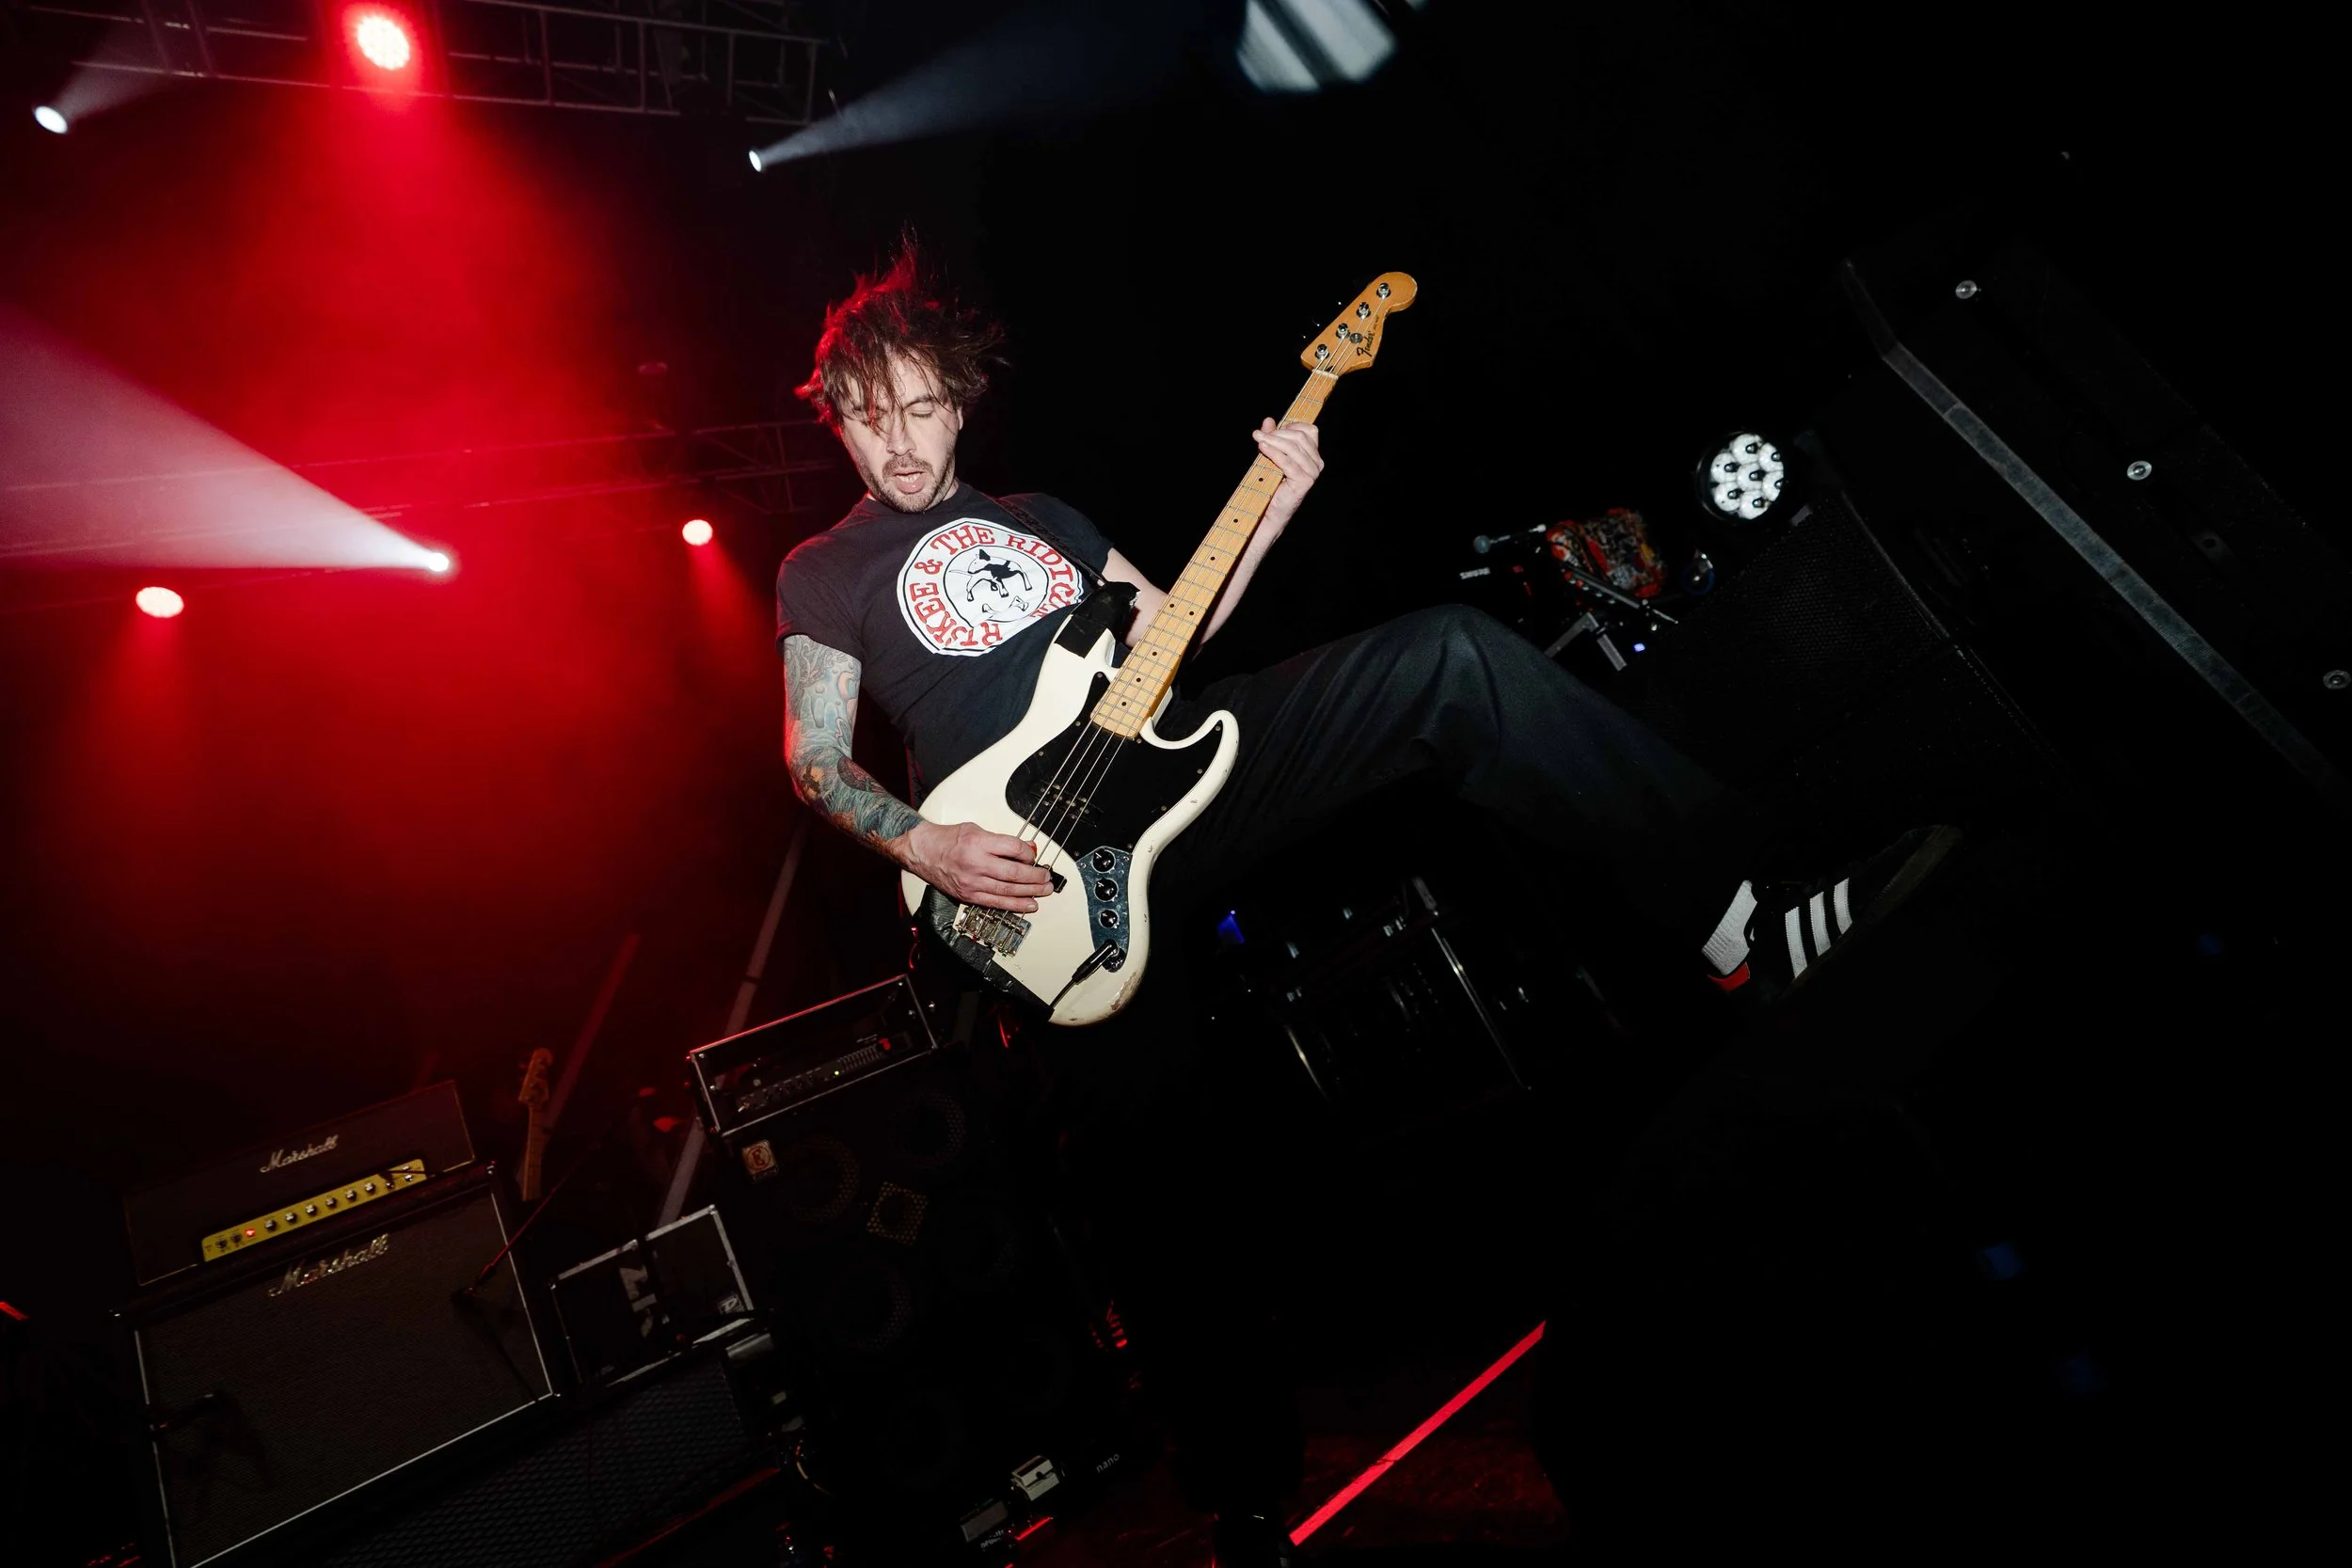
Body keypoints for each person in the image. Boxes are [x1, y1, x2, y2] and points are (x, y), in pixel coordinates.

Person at [774, 245, 1956, 1564]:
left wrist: (1273, 508)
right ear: (840, 422)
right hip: (1029, 877)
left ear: (959, 397)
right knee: (1158, 1178)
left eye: (919, 406)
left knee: (1446, 655)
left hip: (1171, 776)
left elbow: (1173, 634)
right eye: (868, 417)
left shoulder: (1044, 515)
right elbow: (815, 759)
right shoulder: (823, 568)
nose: (899, 442)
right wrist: (927, 843)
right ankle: (1243, 1498)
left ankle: (1742, 915)